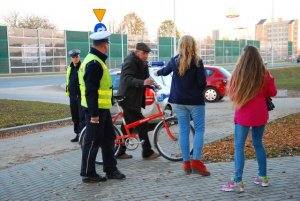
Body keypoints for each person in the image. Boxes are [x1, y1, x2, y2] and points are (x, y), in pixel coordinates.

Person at [220, 45, 277, 192]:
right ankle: (263, 177)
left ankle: (238, 180)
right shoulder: (264, 73)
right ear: (258, 57)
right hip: (260, 114)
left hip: (243, 114)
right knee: (258, 144)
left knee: (239, 146)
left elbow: (232, 95)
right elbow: (273, 92)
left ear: (243, 58)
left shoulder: (238, 73)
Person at [154, 35, 210, 176]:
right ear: (193, 45)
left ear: (180, 46)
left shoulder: (174, 61)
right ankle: (196, 161)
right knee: (199, 130)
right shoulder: (197, 61)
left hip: (178, 101)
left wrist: (156, 71)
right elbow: (202, 83)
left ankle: (186, 163)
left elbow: (165, 71)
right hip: (195, 102)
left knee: (184, 131)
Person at [78, 30, 125, 183]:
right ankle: (88, 172)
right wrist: (94, 114)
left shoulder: (96, 60)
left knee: (108, 138)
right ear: (104, 45)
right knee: (93, 141)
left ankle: (110, 169)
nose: (108, 47)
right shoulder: (94, 63)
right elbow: (91, 91)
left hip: (101, 108)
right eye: (107, 44)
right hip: (95, 110)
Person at [117, 42, 160, 160]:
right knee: (142, 123)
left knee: (128, 126)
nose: (146, 56)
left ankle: (120, 151)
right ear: (137, 52)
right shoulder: (130, 61)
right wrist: (143, 83)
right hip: (127, 98)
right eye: (144, 53)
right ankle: (147, 152)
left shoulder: (143, 63)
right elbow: (127, 79)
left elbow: (146, 79)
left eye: (147, 54)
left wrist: (152, 86)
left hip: (135, 99)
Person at [66, 49, 85, 142]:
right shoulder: (69, 67)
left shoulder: (82, 67)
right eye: (73, 57)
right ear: (71, 58)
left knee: (81, 116)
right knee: (75, 116)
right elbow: (68, 80)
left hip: (80, 95)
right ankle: (77, 134)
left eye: (77, 56)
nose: (75, 58)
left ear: (79, 57)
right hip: (72, 95)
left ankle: (82, 135)